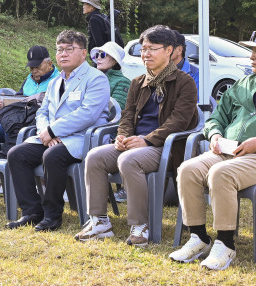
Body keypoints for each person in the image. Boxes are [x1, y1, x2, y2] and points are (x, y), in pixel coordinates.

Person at [171, 27, 256, 271]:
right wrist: (213, 134)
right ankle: (199, 237)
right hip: (228, 151)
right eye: (251, 51)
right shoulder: (244, 83)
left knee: (220, 174)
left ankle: (225, 244)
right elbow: (216, 117)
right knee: (187, 169)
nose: (251, 56)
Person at [76, 25, 199, 245]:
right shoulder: (138, 82)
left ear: (169, 50)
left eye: (152, 49)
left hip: (165, 148)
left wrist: (147, 140)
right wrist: (122, 136)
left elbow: (179, 121)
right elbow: (127, 116)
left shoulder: (184, 82)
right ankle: (99, 221)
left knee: (128, 160)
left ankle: (140, 225)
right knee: (95, 156)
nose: (146, 54)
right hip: (134, 144)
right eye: (143, 49)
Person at [5, 30, 110, 231]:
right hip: (52, 137)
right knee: (16, 154)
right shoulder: (55, 82)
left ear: (84, 53)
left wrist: (53, 131)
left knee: (52, 156)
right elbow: (42, 111)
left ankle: (52, 215)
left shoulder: (96, 78)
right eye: (60, 49)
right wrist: (45, 131)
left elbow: (87, 114)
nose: (63, 54)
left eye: (69, 49)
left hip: (82, 137)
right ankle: (31, 211)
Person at [0, 45, 60, 187]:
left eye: (37, 66)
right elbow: (19, 99)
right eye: (31, 67)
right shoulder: (28, 80)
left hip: (38, 125)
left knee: (12, 131)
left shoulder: (58, 80)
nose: (34, 71)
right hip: (20, 120)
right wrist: (6, 104)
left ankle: (10, 179)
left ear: (49, 64)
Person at [90, 40, 130, 109]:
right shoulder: (92, 78)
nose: (98, 58)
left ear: (114, 60)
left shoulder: (122, 82)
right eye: (97, 55)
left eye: (103, 55)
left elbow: (115, 111)